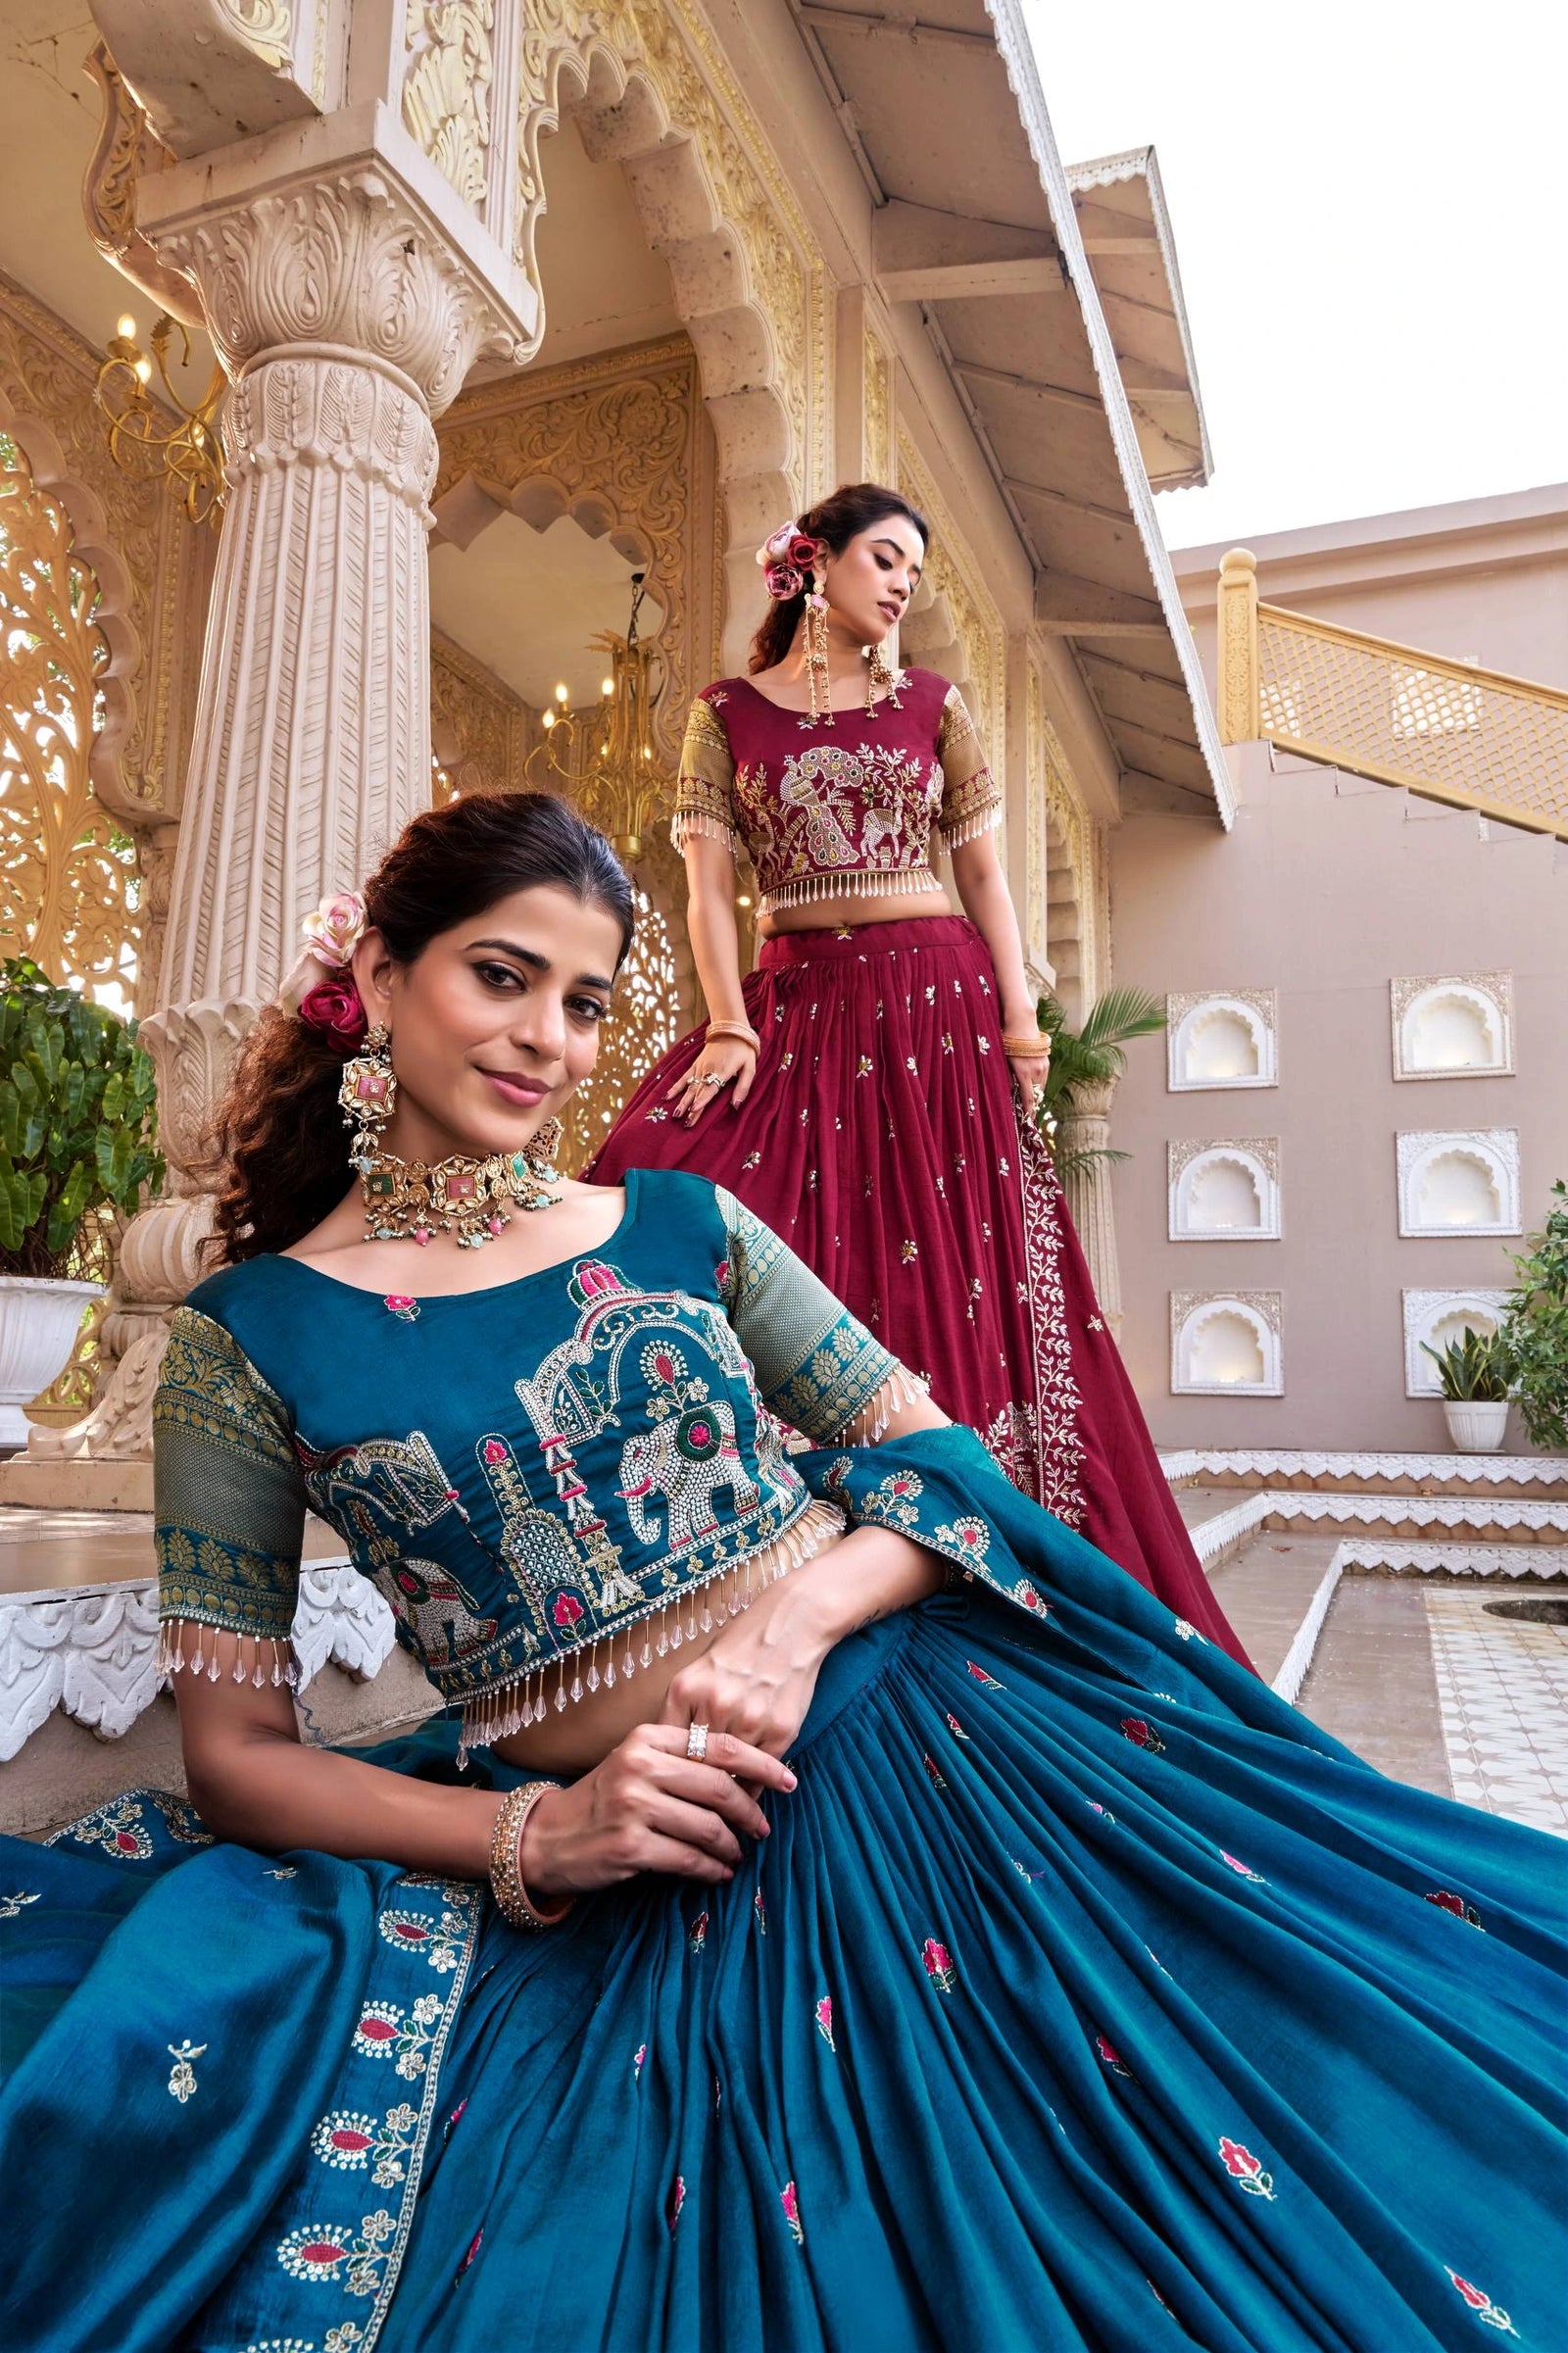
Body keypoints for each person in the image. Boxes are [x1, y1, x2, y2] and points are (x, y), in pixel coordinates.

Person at [2, 793, 1563, 2353]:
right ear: (385, 972)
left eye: (588, 1000)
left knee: (1293, 2120)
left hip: (946, 1741)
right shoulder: (245, 1341)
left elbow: (949, 1464)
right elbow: (238, 1759)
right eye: (503, 975)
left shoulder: (685, 1225)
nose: (547, 1035)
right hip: (650, 1859)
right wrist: (531, 1836)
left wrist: (794, 1630)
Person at [588, 486, 1242, 1660]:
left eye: (915, 573)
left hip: (934, 1001)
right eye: (884, 560)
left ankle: (984, 1539)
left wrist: (1022, 1023)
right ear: (815, 563)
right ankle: (781, 1530)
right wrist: (727, 1024)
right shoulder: (723, 714)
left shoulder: (935, 704)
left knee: (952, 1254)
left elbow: (988, 879)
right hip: (800, 1001)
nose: (900, 587)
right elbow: (702, 887)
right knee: (661, 1181)